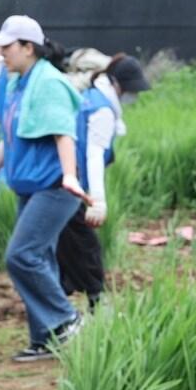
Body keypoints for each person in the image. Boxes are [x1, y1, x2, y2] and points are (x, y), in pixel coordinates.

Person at [0, 15, 91, 362]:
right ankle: (45, 340)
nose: (0, 54)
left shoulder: (48, 83)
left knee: (21, 255)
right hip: (30, 187)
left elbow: (64, 131)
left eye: (7, 47)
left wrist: (69, 175)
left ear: (27, 48)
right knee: (40, 258)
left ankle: (67, 320)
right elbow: (10, 139)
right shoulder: (19, 83)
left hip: (53, 186)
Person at [54, 51, 123, 309]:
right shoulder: (98, 105)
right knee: (82, 240)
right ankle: (94, 296)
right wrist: (98, 200)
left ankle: (67, 290)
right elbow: (93, 153)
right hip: (71, 182)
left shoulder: (84, 99)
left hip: (67, 180)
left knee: (67, 238)